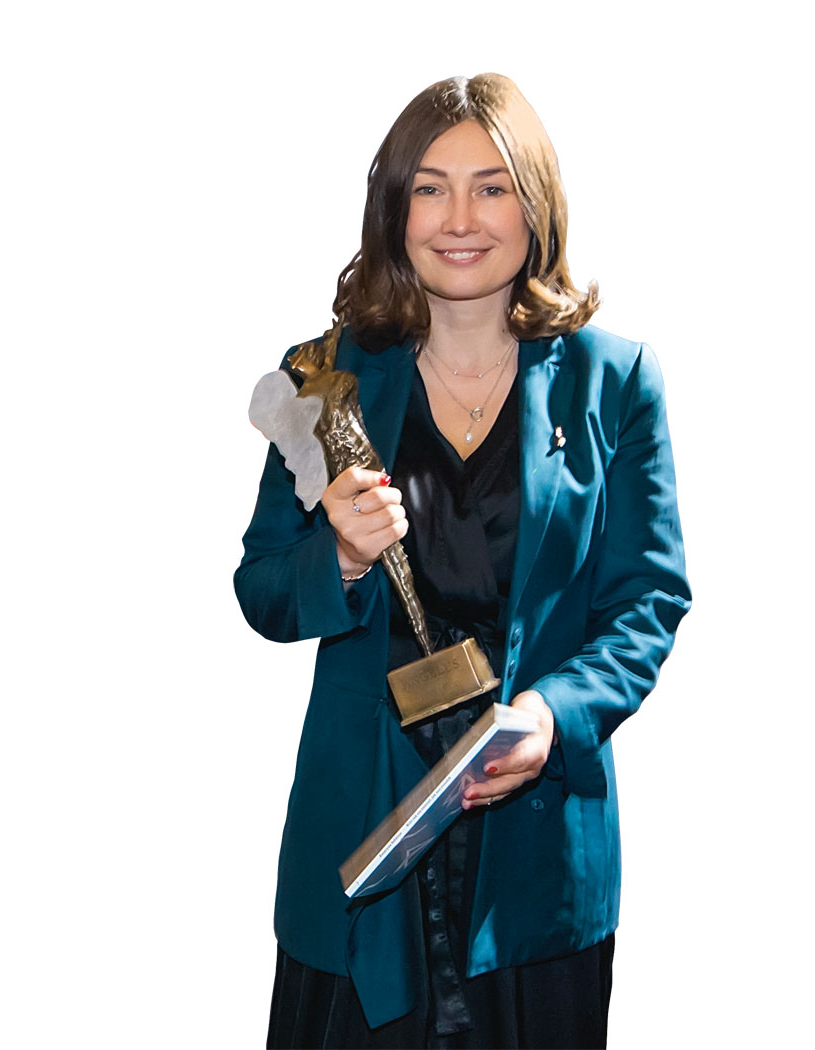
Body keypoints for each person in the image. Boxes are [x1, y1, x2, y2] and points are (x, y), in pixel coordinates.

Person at [236, 73, 690, 1049]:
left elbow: (647, 600)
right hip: (364, 833)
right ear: (393, 209)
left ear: (536, 205)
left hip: (536, 845)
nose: (459, 219)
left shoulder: (615, 381)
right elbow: (263, 587)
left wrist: (551, 717)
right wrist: (339, 557)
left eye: (492, 188)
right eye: (430, 188)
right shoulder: (323, 377)